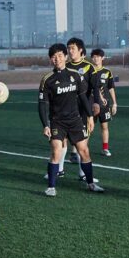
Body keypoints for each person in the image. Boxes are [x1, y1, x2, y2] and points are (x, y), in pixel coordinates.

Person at [40, 43, 105, 197]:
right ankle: (51, 187)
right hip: (57, 121)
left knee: (85, 151)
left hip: (75, 120)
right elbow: (42, 104)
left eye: (60, 55)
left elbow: (83, 97)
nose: (58, 59)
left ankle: (90, 183)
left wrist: (89, 116)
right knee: (56, 151)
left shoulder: (75, 75)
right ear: (51, 60)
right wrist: (45, 125)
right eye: (54, 56)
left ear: (65, 57)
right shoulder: (47, 80)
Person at [88, 48, 118, 157]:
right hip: (92, 104)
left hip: (105, 105)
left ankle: (105, 149)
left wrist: (114, 103)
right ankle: (82, 148)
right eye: (94, 57)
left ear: (102, 58)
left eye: (98, 56)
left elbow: (111, 88)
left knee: (104, 127)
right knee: (89, 127)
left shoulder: (107, 72)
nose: (95, 59)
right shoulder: (89, 71)